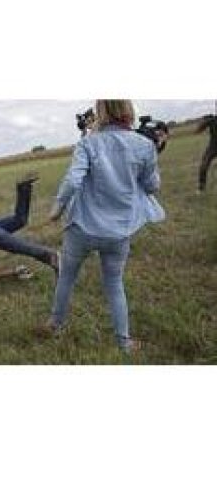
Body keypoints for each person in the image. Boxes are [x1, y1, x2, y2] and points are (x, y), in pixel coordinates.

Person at [41, 100, 165, 354]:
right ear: (128, 110)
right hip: (119, 232)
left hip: (81, 228)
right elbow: (152, 187)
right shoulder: (144, 145)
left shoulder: (87, 143)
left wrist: (57, 209)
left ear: (101, 112)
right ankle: (124, 342)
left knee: (66, 277)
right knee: (114, 283)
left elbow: (73, 180)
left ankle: (55, 324)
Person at [196, 113, 217, 193]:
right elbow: (198, 130)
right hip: (213, 147)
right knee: (204, 165)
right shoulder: (212, 120)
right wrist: (204, 121)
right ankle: (201, 187)